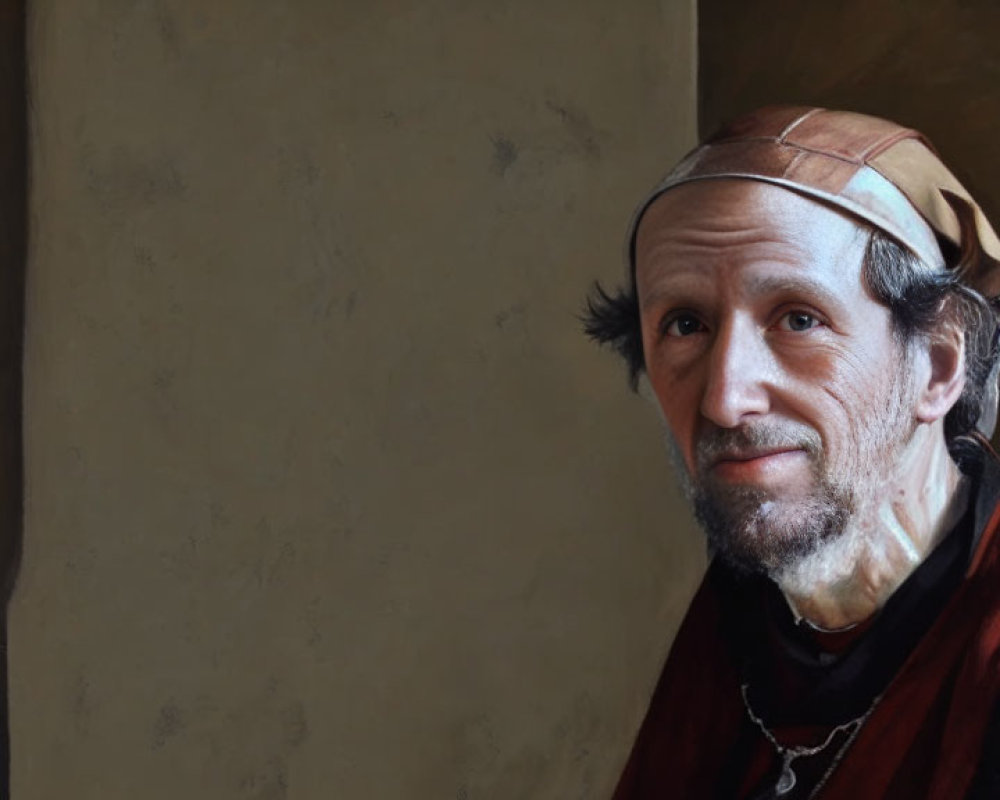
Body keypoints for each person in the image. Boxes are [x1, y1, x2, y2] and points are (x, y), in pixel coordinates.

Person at [584, 106, 1000, 799]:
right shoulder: (742, 618)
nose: (724, 398)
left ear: (936, 363)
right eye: (685, 325)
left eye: (799, 319)